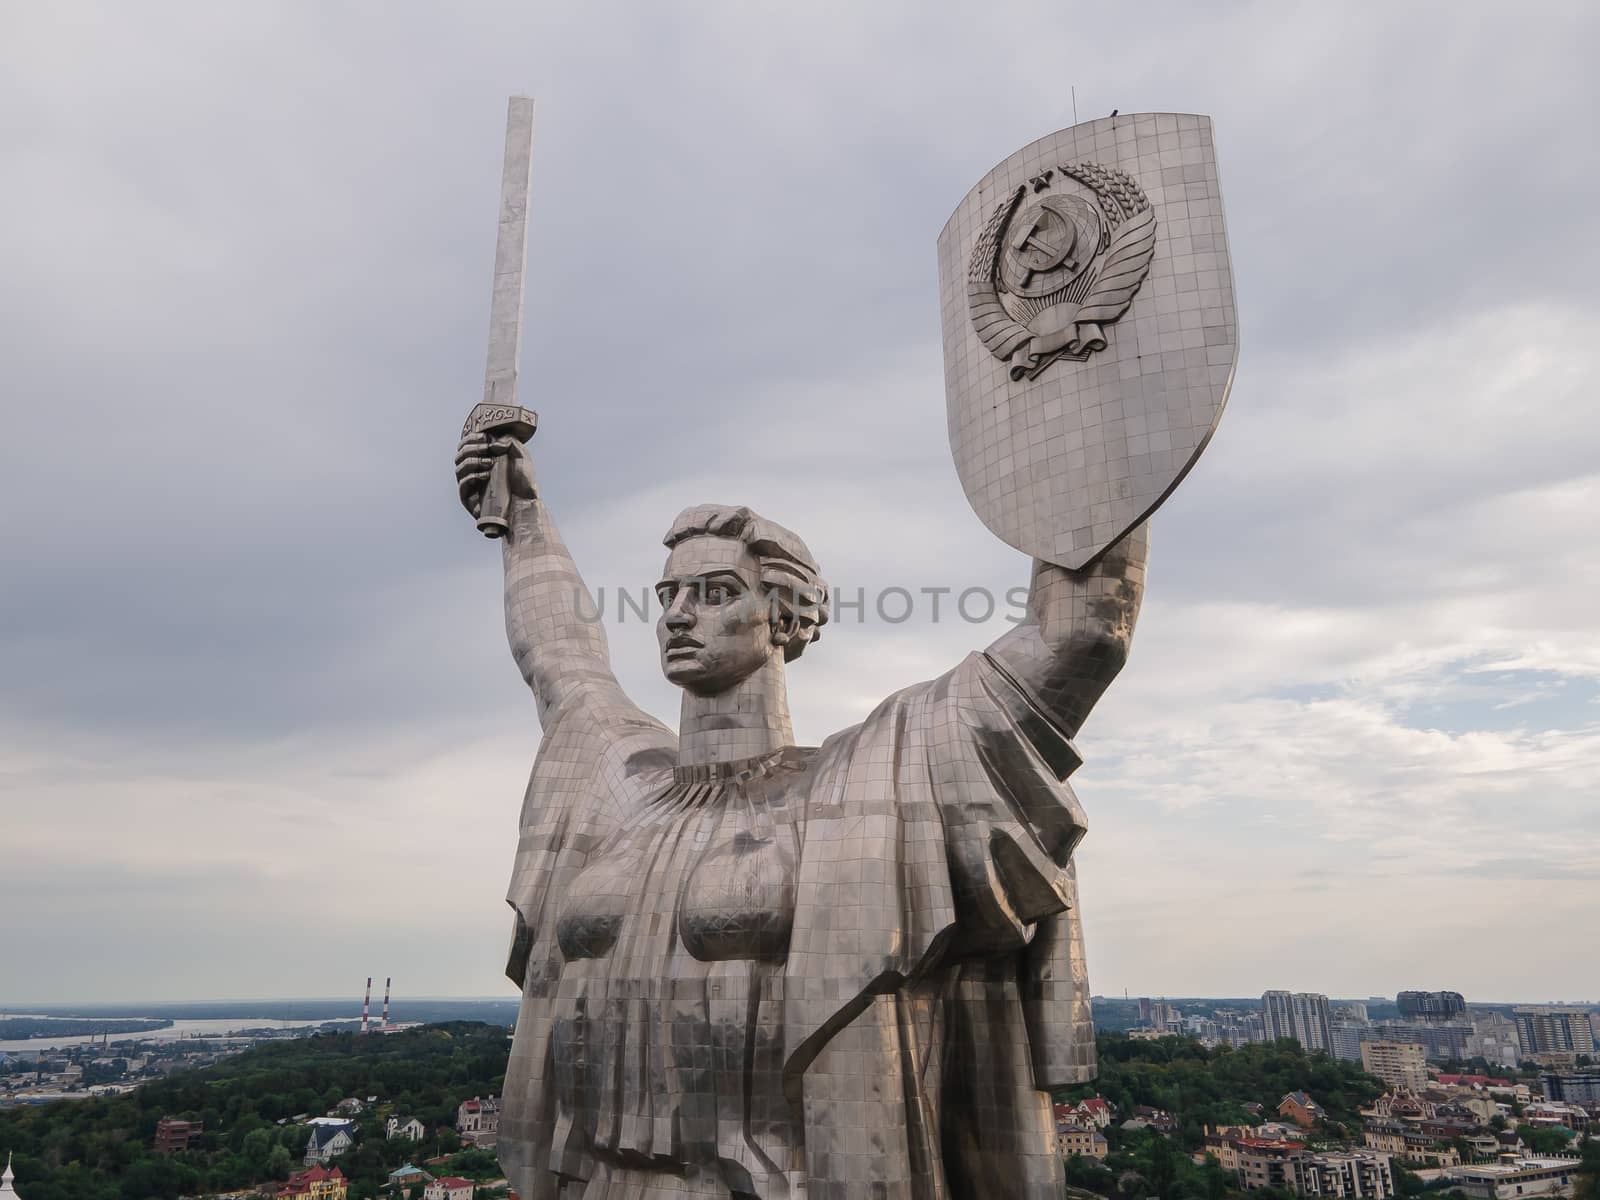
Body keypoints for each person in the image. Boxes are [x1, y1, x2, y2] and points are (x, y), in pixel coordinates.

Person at [454, 428, 1147, 1200]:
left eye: (716, 593)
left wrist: (1080, 399)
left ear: (783, 616)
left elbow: (1080, 630)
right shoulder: (622, 786)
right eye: (668, 597)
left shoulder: (866, 781)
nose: (680, 615)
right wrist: (523, 520)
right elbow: (560, 660)